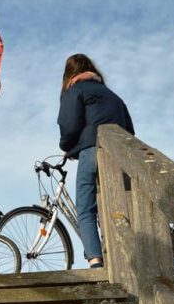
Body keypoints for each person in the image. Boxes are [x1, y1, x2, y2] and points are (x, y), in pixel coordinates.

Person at [57, 54, 134, 268]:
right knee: (120, 205)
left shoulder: (75, 90)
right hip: (120, 156)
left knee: (86, 208)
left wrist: (67, 147)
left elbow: (70, 125)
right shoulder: (114, 96)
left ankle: (95, 261)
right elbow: (130, 131)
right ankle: (128, 258)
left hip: (92, 152)